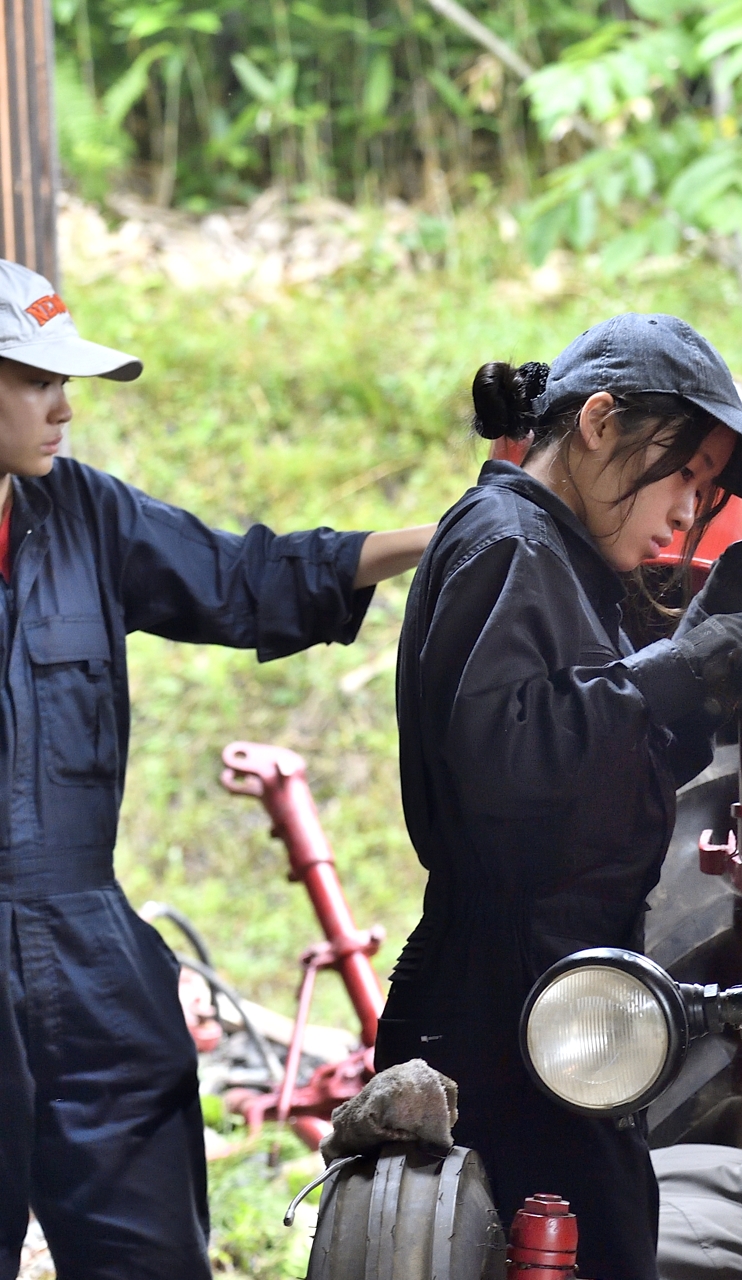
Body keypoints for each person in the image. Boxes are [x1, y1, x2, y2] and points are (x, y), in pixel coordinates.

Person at [0, 259, 435, 1280]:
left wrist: (445, 534)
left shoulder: (84, 516)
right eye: (37, 381)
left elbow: (246, 579)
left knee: (147, 1251)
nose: (66, 408)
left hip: (86, 953)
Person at [373, 313, 742, 1280]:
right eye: (684, 475)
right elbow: (504, 764)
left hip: (551, 981)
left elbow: (589, 759)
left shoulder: (554, 554)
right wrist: (666, 671)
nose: (688, 516)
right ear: (601, 421)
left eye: (708, 492)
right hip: (502, 988)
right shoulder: (508, 541)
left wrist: (700, 643)